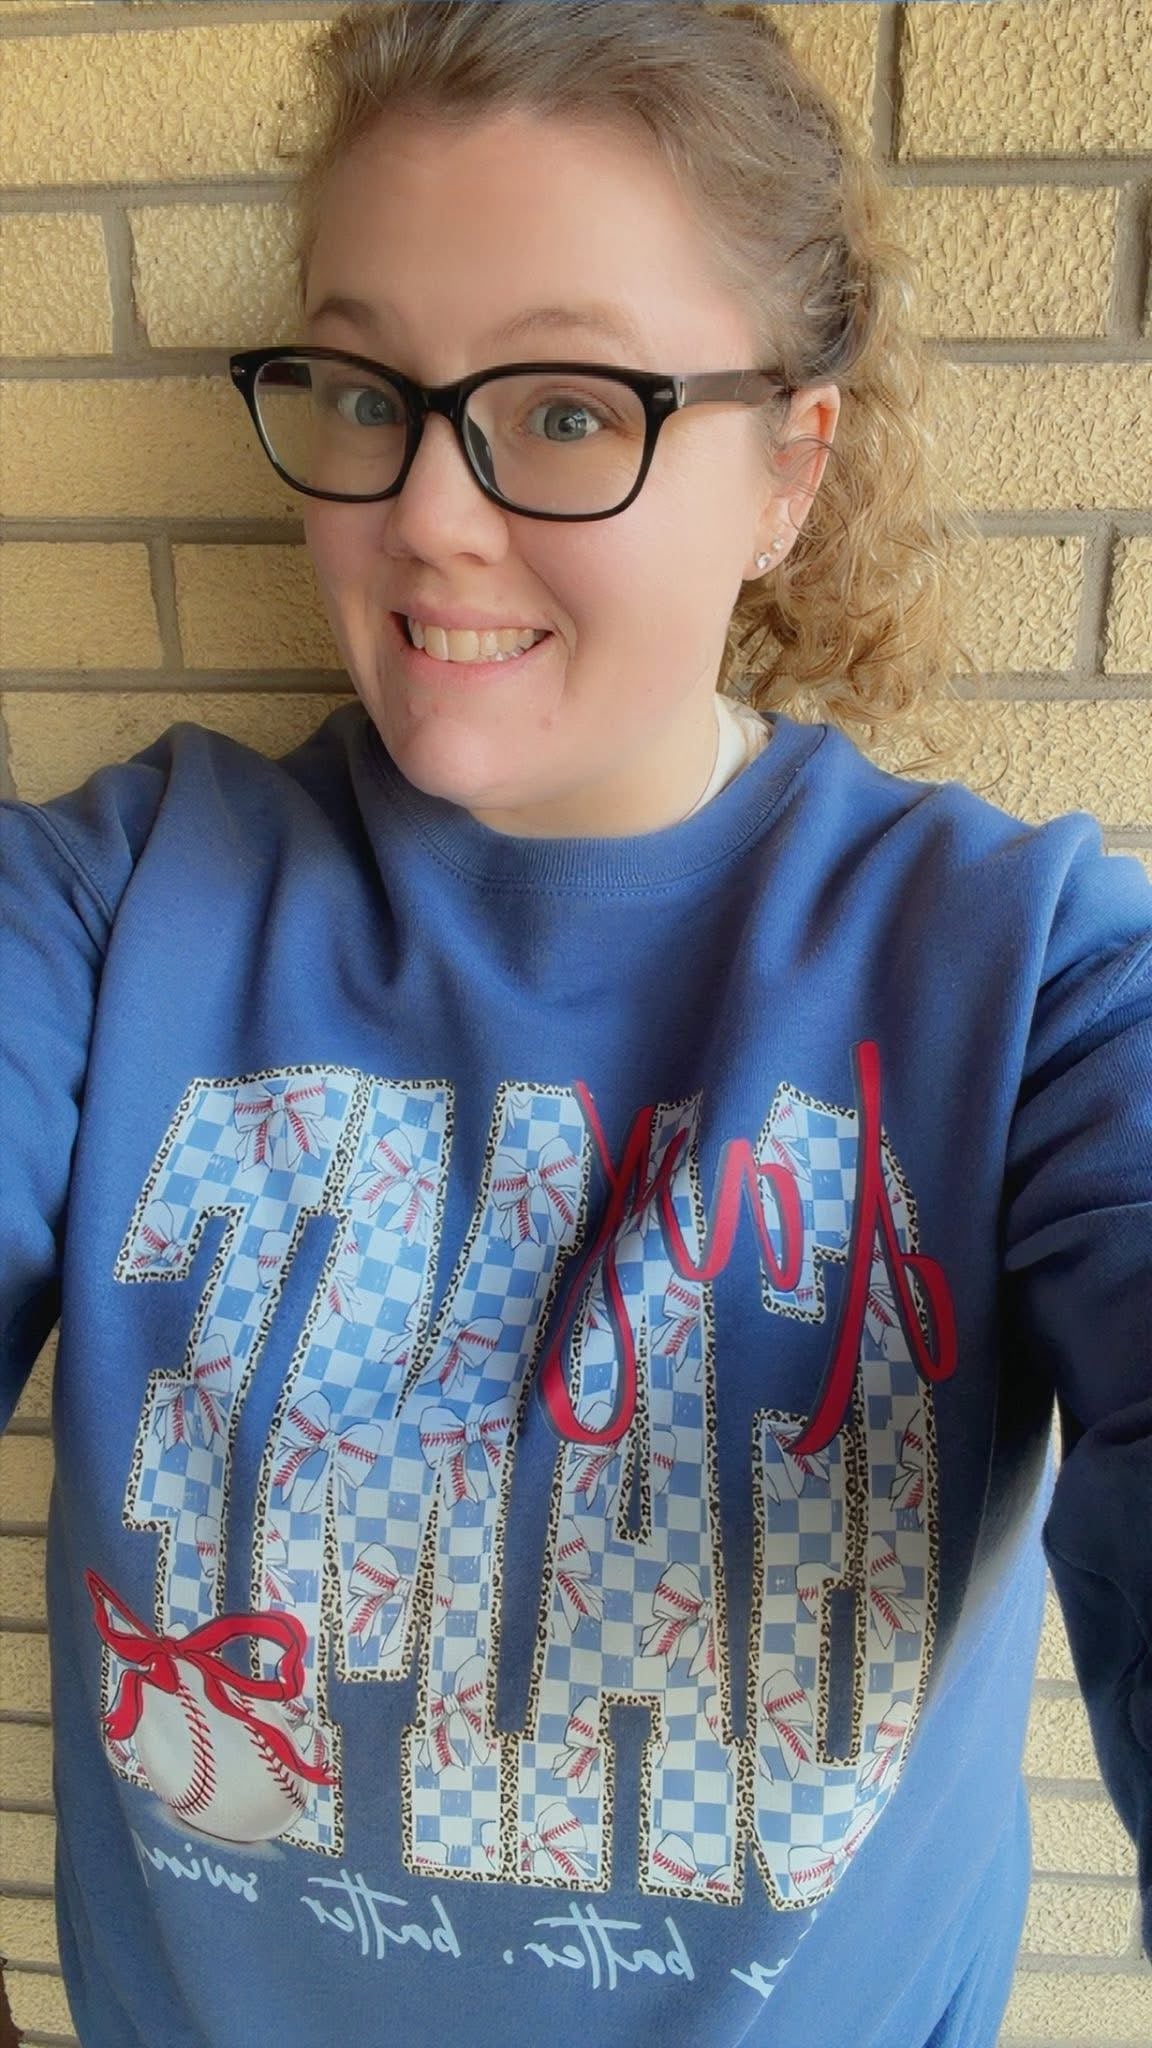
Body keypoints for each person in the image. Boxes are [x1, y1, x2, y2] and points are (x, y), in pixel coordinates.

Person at [1, 5, 1148, 2045]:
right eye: (368, 391)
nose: (427, 519)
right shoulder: (114, 908)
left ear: (789, 468)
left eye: (561, 409)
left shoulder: (1028, 977)